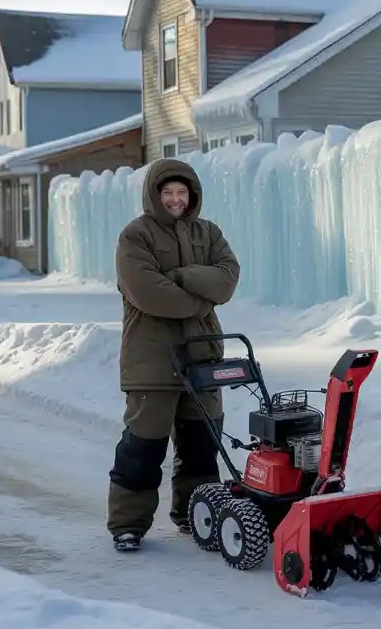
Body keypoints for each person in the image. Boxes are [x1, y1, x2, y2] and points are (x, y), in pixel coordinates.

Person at [107, 157, 241, 552]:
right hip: (152, 360)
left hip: (202, 356)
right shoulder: (135, 237)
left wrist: (181, 277)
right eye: (168, 192)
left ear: (192, 195)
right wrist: (201, 298)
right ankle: (128, 524)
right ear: (154, 194)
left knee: (202, 444)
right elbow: (148, 292)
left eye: (182, 192)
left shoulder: (209, 232)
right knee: (143, 446)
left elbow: (228, 278)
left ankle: (196, 515)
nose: (175, 199)